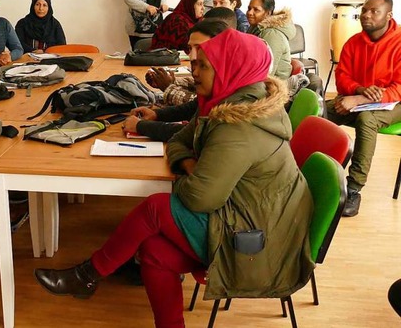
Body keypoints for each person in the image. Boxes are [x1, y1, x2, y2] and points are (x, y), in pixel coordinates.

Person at [34, 29, 314, 328]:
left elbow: (200, 196)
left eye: (204, 66)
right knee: (154, 252)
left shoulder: (239, 123)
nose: (195, 72)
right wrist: (192, 163)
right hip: (245, 216)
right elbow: (181, 140)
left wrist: (192, 168)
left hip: (259, 242)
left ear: (230, 69)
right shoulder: (224, 104)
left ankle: (88, 276)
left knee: (156, 207)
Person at [325, 0, 401, 217]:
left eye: (374, 11)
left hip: (394, 103)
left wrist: (359, 99)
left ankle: (354, 189)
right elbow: (342, 78)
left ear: (389, 15)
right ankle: (307, 173)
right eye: (364, 11)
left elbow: (399, 87)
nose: (366, 15)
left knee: (366, 120)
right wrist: (358, 90)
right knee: (318, 112)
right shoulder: (353, 42)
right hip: (358, 99)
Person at [247, 0, 295, 80]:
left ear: (268, 13)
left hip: (275, 86)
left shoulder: (272, 34)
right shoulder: (255, 28)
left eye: (256, 10)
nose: (250, 12)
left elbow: (268, 70)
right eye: (249, 8)